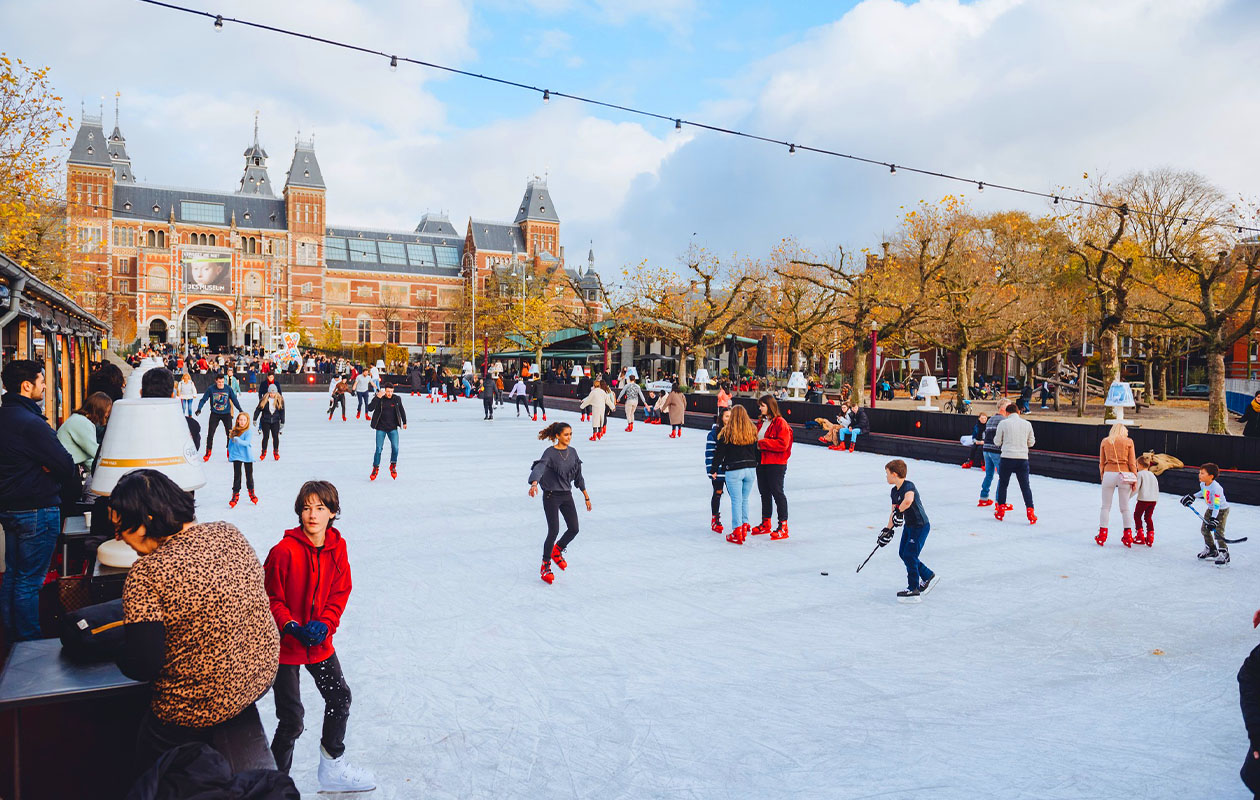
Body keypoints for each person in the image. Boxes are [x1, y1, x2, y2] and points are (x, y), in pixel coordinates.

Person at [110, 469, 279, 772]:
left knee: (137, 751)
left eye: (121, 526)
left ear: (146, 519)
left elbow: (144, 664)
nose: (119, 538)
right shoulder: (229, 533)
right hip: (258, 676)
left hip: (197, 706)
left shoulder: (147, 573)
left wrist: (117, 651)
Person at [264, 481, 375, 792]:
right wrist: (289, 625)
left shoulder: (338, 548)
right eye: (306, 507)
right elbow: (270, 597)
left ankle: (333, 766)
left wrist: (326, 624)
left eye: (320, 508)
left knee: (339, 698)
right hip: (286, 646)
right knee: (291, 721)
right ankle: (275, 785)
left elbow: (340, 592)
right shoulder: (283, 552)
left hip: (319, 642)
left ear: (333, 512)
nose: (312, 514)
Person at [0, 360, 78, 641]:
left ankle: (10, 635)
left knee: (13, 576)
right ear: (27, 385)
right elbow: (66, 465)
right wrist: (46, 467)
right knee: (29, 582)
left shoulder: (5, 417)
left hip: (10, 507)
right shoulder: (32, 423)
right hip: (37, 508)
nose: (46, 386)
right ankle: (29, 641)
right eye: (42, 381)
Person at [528, 422, 591, 584]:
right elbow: (539, 468)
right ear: (557, 436)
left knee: (574, 528)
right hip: (551, 496)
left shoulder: (573, 452)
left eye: (570, 434)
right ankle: (545, 565)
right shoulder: (550, 453)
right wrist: (534, 483)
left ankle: (558, 550)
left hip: (566, 495)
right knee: (553, 530)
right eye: (565, 434)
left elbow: (578, 476)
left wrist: (585, 494)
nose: (569, 437)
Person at [880, 459, 938, 603]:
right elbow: (894, 512)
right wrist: (888, 529)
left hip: (920, 526)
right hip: (910, 526)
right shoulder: (894, 491)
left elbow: (908, 501)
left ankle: (913, 588)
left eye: (887, 474)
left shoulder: (908, 486)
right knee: (903, 553)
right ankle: (928, 575)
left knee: (909, 555)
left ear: (894, 474)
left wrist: (900, 511)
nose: (886, 477)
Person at [710, 405, 759, 545]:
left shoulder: (727, 432)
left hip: (734, 470)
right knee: (744, 499)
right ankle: (744, 525)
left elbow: (719, 454)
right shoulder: (752, 430)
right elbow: (757, 452)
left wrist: (713, 469)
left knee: (736, 500)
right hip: (750, 469)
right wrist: (757, 463)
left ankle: (737, 531)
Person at [752, 395, 793, 540]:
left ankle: (783, 525)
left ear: (770, 406)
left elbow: (783, 444)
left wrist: (763, 443)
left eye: (762, 405)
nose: (760, 408)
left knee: (777, 492)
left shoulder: (780, 422)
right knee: (764, 493)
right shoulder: (762, 422)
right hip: (761, 461)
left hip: (776, 463)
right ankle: (766, 522)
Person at [56, 391, 113, 485]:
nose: (107, 415)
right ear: (100, 409)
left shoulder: (78, 419)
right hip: (66, 469)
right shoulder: (82, 423)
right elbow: (96, 452)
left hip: (64, 467)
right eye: (107, 411)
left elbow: (88, 457)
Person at [993, 402, 1037, 523]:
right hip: (1022, 458)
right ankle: (1030, 511)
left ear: (1007, 413)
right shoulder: (1027, 424)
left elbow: (997, 442)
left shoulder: (1003, 423)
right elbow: (1031, 442)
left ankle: (1001, 509)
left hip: (1007, 457)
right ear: (1018, 412)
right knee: (1025, 486)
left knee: (1003, 484)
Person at [1096, 423, 1138, 547]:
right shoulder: (1129, 442)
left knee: (1105, 507)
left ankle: (1102, 534)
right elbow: (1132, 463)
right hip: (1124, 474)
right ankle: (1128, 534)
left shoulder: (1105, 441)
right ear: (1124, 431)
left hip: (1109, 473)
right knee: (1125, 507)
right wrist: (1134, 478)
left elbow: (1101, 462)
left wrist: (1103, 475)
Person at [1182, 462, 1231, 566]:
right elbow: (1203, 492)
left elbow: (1217, 505)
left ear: (1211, 476)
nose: (1199, 475)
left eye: (1202, 473)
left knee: (1218, 532)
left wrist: (1213, 519)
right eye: (1199, 472)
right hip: (1210, 509)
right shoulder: (1203, 484)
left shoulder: (1216, 488)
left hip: (1221, 510)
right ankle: (1211, 550)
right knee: (1204, 529)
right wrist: (1193, 496)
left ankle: (1224, 553)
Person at [195, 372, 244, 461]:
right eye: (219, 382)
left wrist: (240, 410)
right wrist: (199, 408)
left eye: (222, 382)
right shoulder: (211, 389)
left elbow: (234, 400)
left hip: (226, 414)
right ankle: (208, 451)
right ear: (216, 381)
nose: (221, 384)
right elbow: (203, 399)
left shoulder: (228, 389)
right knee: (210, 434)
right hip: (215, 414)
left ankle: (230, 451)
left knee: (230, 434)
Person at [367, 384, 406, 481]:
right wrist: (377, 397)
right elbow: (369, 408)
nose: (389, 393)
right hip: (380, 428)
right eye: (388, 391)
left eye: (391, 391)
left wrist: (404, 422)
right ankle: (375, 468)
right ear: (385, 391)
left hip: (392, 428)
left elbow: (401, 410)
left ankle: (393, 465)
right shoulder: (380, 398)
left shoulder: (396, 399)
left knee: (395, 448)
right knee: (379, 449)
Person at [705, 408, 732, 534]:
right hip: (718, 470)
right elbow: (710, 453)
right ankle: (715, 518)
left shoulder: (734, 431)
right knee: (717, 493)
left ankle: (741, 520)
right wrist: (711, 470)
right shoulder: (714, 433)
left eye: (730, 416)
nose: (728, 419)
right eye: (726, 416)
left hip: (732, 470)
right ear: (721, 418)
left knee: (735, 495)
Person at [976, 403, 1009, 507]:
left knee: (989, 474)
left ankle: (983, 497)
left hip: (986, 449)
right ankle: (999, 501)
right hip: (996, 451)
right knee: (1003, 476)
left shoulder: (990, 419)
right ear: (1003, 408)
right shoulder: (1004, 421)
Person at [228, 412, 258, 507]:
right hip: (237, 456)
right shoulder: (234, 431)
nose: (242, 422)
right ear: (237, 420)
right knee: (237, 476)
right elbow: (230, 444)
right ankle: (235, 494)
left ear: (247, 421)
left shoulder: (248, 431)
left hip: (247, 456)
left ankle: (251, 493)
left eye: (244, 420)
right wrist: (229, 452)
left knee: (249, 476)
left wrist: (238, 440)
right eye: (240, 420)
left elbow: (246, 443)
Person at [1133, 454, 1159, 547]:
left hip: (1143, 499)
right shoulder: (1152, 474)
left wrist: (1127, 497)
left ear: (1139, 464)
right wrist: (1155, 498)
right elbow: (1156, 487)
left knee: (1137, 515)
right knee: (1148, 517)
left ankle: (1140, 535)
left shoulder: (1140, 474)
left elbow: (1136, 488)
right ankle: (1150, 536)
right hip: (1153, 500)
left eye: (1136, 464)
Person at [254, 384, 285, 460]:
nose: (272, 394)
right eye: (271, 393)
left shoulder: (279, 400)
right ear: (268, 392)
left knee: (275, 436)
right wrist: (255, 419)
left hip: (275, 421)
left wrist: (282, 421)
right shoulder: (264, 400)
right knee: (266, 437)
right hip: (265, 421)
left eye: (273, 393)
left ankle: (276, 452)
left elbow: (282, 411)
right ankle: (263, 452)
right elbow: (258, 409)